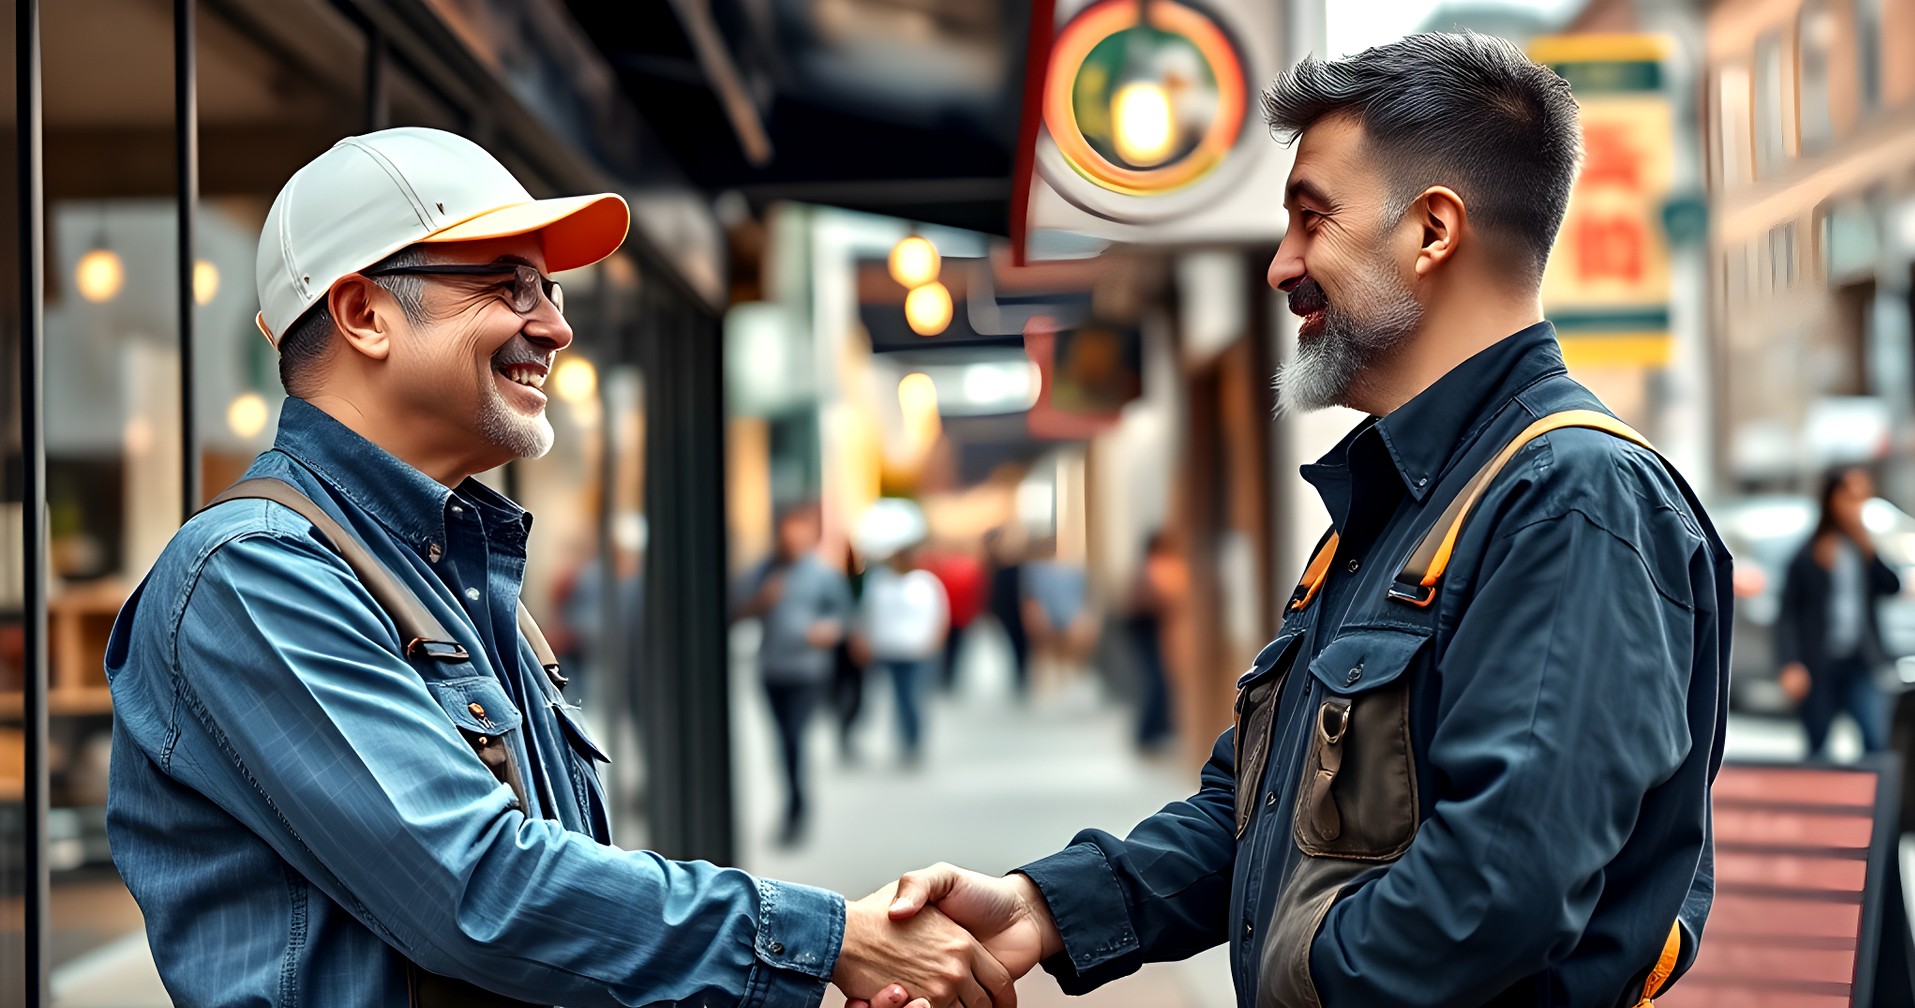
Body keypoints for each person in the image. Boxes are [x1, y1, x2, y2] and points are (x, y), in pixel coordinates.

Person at [861, 34, 1731, 1008]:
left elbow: (1497, 891)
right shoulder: (1395, 507)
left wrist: (1299, 974)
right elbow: (1254, 815)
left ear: (1432, 230)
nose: (1281, 267)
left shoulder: (1572, 499)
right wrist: (1041, 907)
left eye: (1310, 220)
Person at [104, 127, 1011, 1008]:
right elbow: (479, 889)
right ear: (362, 314)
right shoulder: (249, 574)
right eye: (510, 284)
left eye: (552, 290)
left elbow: (555, 924)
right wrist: (829, 943)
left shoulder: (447, 570)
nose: (555, 325)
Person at [734, 502, 852, 843]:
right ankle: (793, 801)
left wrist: (828, 630)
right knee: (782, 740)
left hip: (808, 670)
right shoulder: (762, 572)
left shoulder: (824, 573)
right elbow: (735, 610)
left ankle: (797, 808)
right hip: (772, 668)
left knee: (794, 738)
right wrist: (762, 601)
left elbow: (843, 616)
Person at [1777, 466, 1900, 757]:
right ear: (1831, 498)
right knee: (1818, 746)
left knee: (1875, 742)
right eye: (1849, 495)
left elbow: (1891, 586)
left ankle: (1875, 804)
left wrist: (1867, 545)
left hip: (1862, 660)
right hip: (1819, 662)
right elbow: (1788, 613)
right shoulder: (1809, 553)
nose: (1855, 503)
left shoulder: (1862, 548)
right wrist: (1791, 662)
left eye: (1862, 496)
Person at [860, 545, 950, 764]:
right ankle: (905, 739)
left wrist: (936, 641)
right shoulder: (881, 583)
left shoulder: (925, 583)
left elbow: (940, 613)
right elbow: (869, 614)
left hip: (918, 650)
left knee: (911, 695)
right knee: (899, 696)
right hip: (890, 649)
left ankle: (913, 739)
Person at [1124, 531, 1185, 752]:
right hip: (1145, 627)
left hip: (1144, 627)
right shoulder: (1154, 568)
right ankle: (1148, 733)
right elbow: (1165, 596)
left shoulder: (1148, 567)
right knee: (1156, 680)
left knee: (1158, 679)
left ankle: (1156, 729)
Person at [920, 545, 987, 691]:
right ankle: (949, 677)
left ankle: (944, 676)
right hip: (961, 617)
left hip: (952, 617)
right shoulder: (970, 569)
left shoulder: (945, 570)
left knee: (947, 649)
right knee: (956, 649)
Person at [984, 527, 1031, 693]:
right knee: (1017, 647)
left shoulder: (1023, 568)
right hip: (1008, 614)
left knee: (1022, 648)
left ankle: (1022, 678)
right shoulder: (999, 569)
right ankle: (1021, 678)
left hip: (1021, 612)